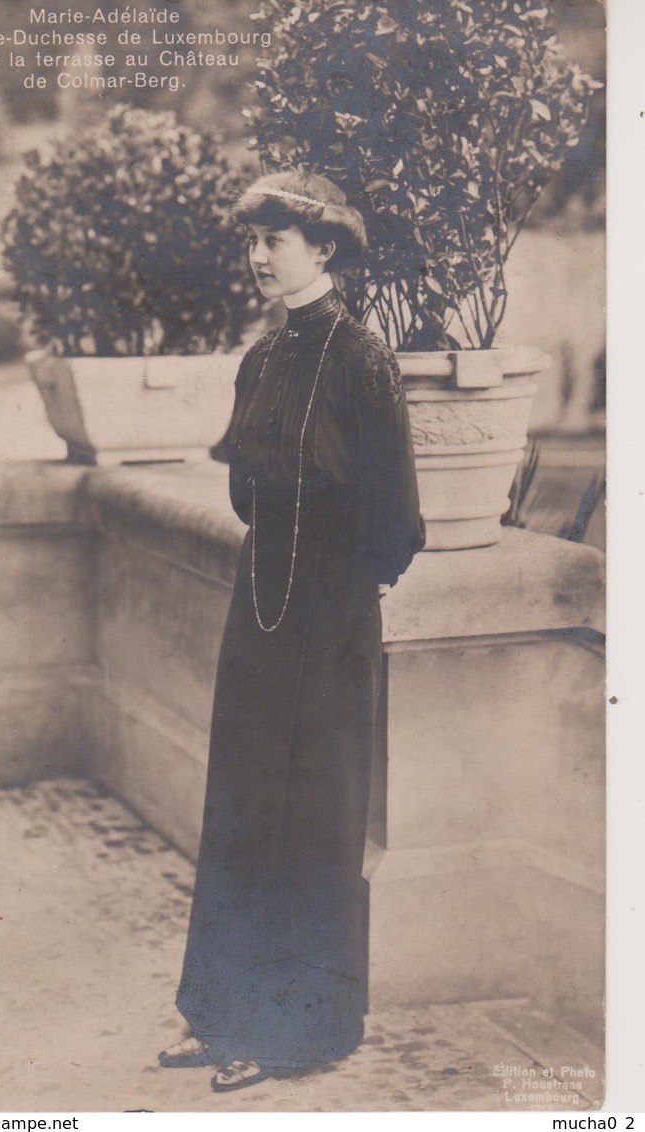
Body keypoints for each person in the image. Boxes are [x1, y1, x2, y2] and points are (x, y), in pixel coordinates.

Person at [158, 169, 426, 1092]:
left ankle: (288, 1033)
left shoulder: (363, 359)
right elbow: (245, 495)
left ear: (324, 250)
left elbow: (397, 518)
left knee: (310, 820)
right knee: (240, 806)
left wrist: (344, 598)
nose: (258, 256)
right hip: (259, 608)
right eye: (252, 240)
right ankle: (218, 1011)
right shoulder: (259, 362)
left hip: (333, 618)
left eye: (274, 239)